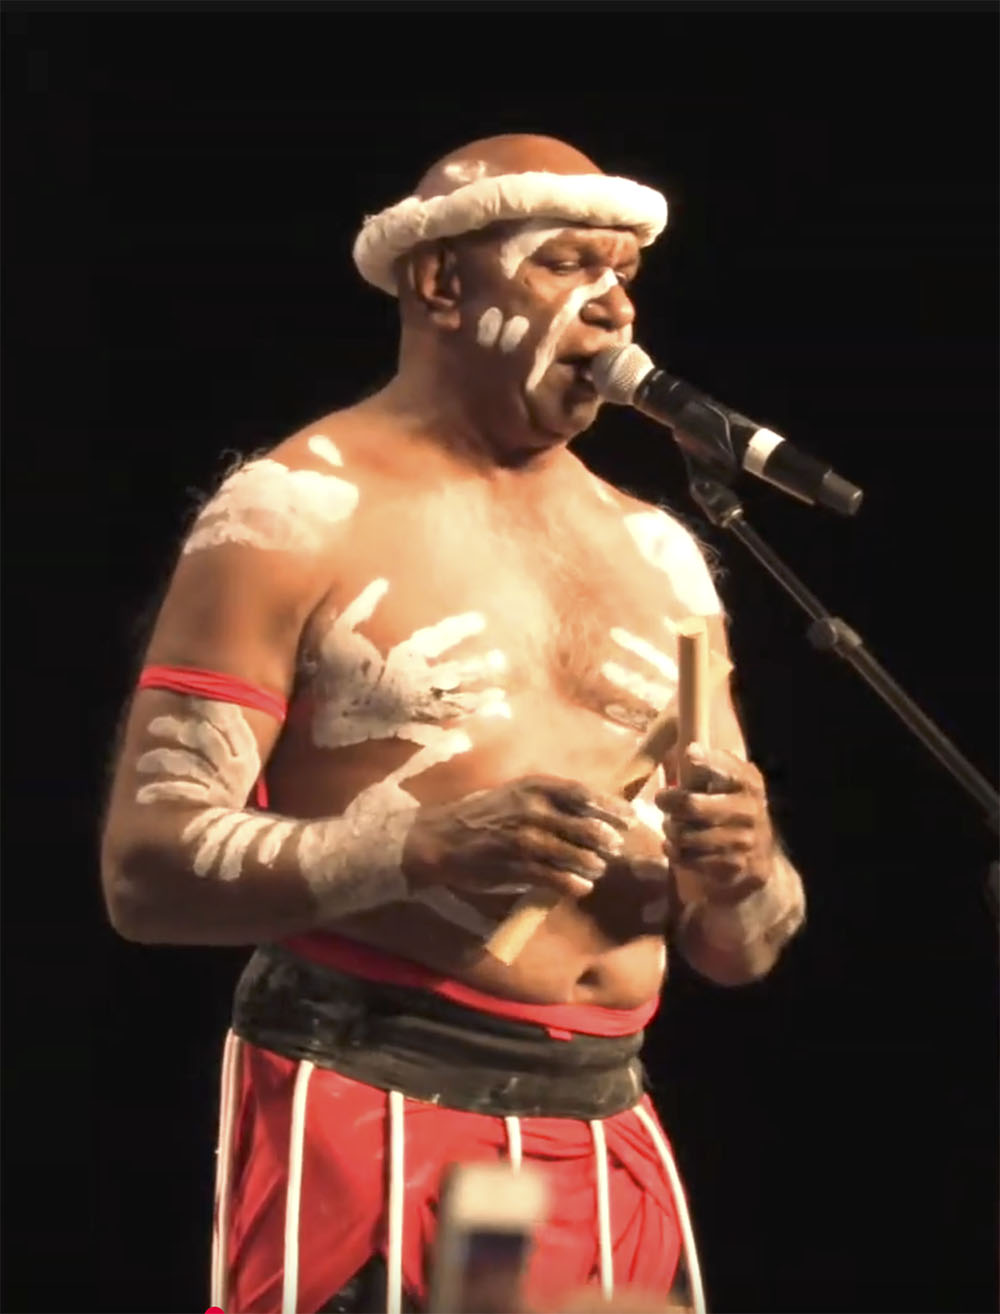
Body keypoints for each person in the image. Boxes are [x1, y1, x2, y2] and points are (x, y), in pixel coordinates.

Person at [100, 133, 806, 1314]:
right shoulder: (298, 508)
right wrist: (414, 848)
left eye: (625, 272)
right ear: (443, 283)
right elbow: (144, 872)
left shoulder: (663, 556)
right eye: (568, 264)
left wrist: (745, 870)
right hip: (391, 1099)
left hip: (597, 1116)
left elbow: (739, 948)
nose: (611, 306)